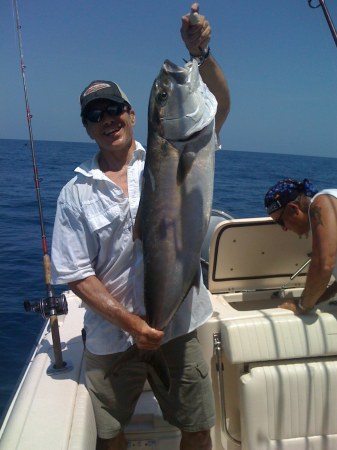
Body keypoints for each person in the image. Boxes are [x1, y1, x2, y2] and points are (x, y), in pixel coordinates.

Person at [51, 3, 230, 450]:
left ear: (133, 115)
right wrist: (132, 324)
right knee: (110, 434)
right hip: (113, 337)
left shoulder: (174, 151)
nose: (107, 118)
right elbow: (74, 272)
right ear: (88, 128)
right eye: (96, 114)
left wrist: (201, 53)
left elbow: (220, 102)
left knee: (196, 426)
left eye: (115, 108)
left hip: (181, 323)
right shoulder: (75, 193)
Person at [264, 178, 337, 314]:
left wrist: (301, 307)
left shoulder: (322, 203)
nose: (284, 229)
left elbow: (323, 266)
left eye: (281, 222)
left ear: (294, 209)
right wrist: (316, 300)